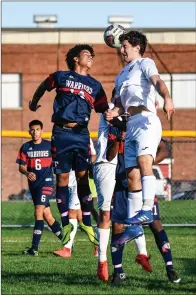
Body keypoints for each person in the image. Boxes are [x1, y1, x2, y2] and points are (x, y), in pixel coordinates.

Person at [29, 44, 109, 247]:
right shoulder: (61, 76)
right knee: (63, 178)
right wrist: (34, 101)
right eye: (86, 54)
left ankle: (88, 224)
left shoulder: (95, 85)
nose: (90, 57)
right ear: (75, 58)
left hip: (81, 134)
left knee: (83, 178)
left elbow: (105, 110)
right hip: (62, 132)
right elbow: (44, 85)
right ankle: (66, 224)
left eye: (92, 55)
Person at [104, 30, 175, 225]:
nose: (122, 51)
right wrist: (113, 112)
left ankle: (146, 209)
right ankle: (134, 221)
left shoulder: (145, 63)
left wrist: (167, 98)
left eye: (125, 46)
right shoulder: (120, 76)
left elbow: (158, 81)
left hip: (146, 121)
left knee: (144, 162)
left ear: (137, 47)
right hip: (131, 124)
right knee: (132, 174)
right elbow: (120, 105)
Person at [106, 120, 180, 285]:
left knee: (155, 224)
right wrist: (118, 140)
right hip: (121, 188)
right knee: (117, 226)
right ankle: (118, 272)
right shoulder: (115, 129)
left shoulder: (141, 125)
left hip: (141, 187)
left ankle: (170, 267)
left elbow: (164, 149)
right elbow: (109, 156)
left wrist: (147, 164)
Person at [16, 120, 63, 256]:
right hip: (34, 186)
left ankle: (34, 249)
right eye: (32, 130)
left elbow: (58, 159)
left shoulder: (49, 145)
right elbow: (21, 166)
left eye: (37, 129)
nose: (35, 132)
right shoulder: (26, 147)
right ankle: (67, 243)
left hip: (47, 184)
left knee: (38, 212)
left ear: (42, 131)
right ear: (29, 131)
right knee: (48, 216)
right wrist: (26, 172)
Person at [53, 138, 99, 258]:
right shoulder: (61, 135)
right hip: (65, 181)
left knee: (72, 214)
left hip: (77, 183)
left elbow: (93, 155)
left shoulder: (84, 136)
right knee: (79, 217)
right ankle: (97, 245)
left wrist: (85, 164)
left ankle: (67, 249)